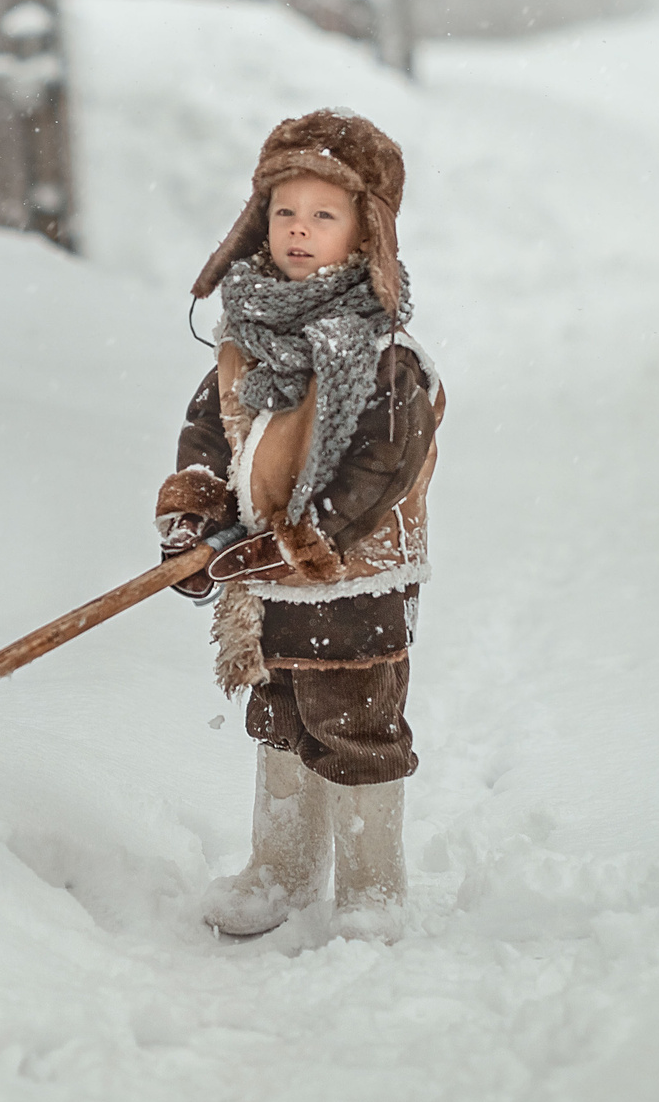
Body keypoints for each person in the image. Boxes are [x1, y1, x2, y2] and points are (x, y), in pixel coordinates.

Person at [153, 110, 442, 940]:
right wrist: (194, 519)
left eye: (325, 214)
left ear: (364, 232)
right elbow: (210, 439)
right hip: (266, 584)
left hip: (355, 578)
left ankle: (370, 885)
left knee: (354, 726)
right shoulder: (243, 343)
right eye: (285, 212)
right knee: (281, 719)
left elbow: (382, 467)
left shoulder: (385, 354)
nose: (300, 230)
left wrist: (307, 533)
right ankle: (278, 870)